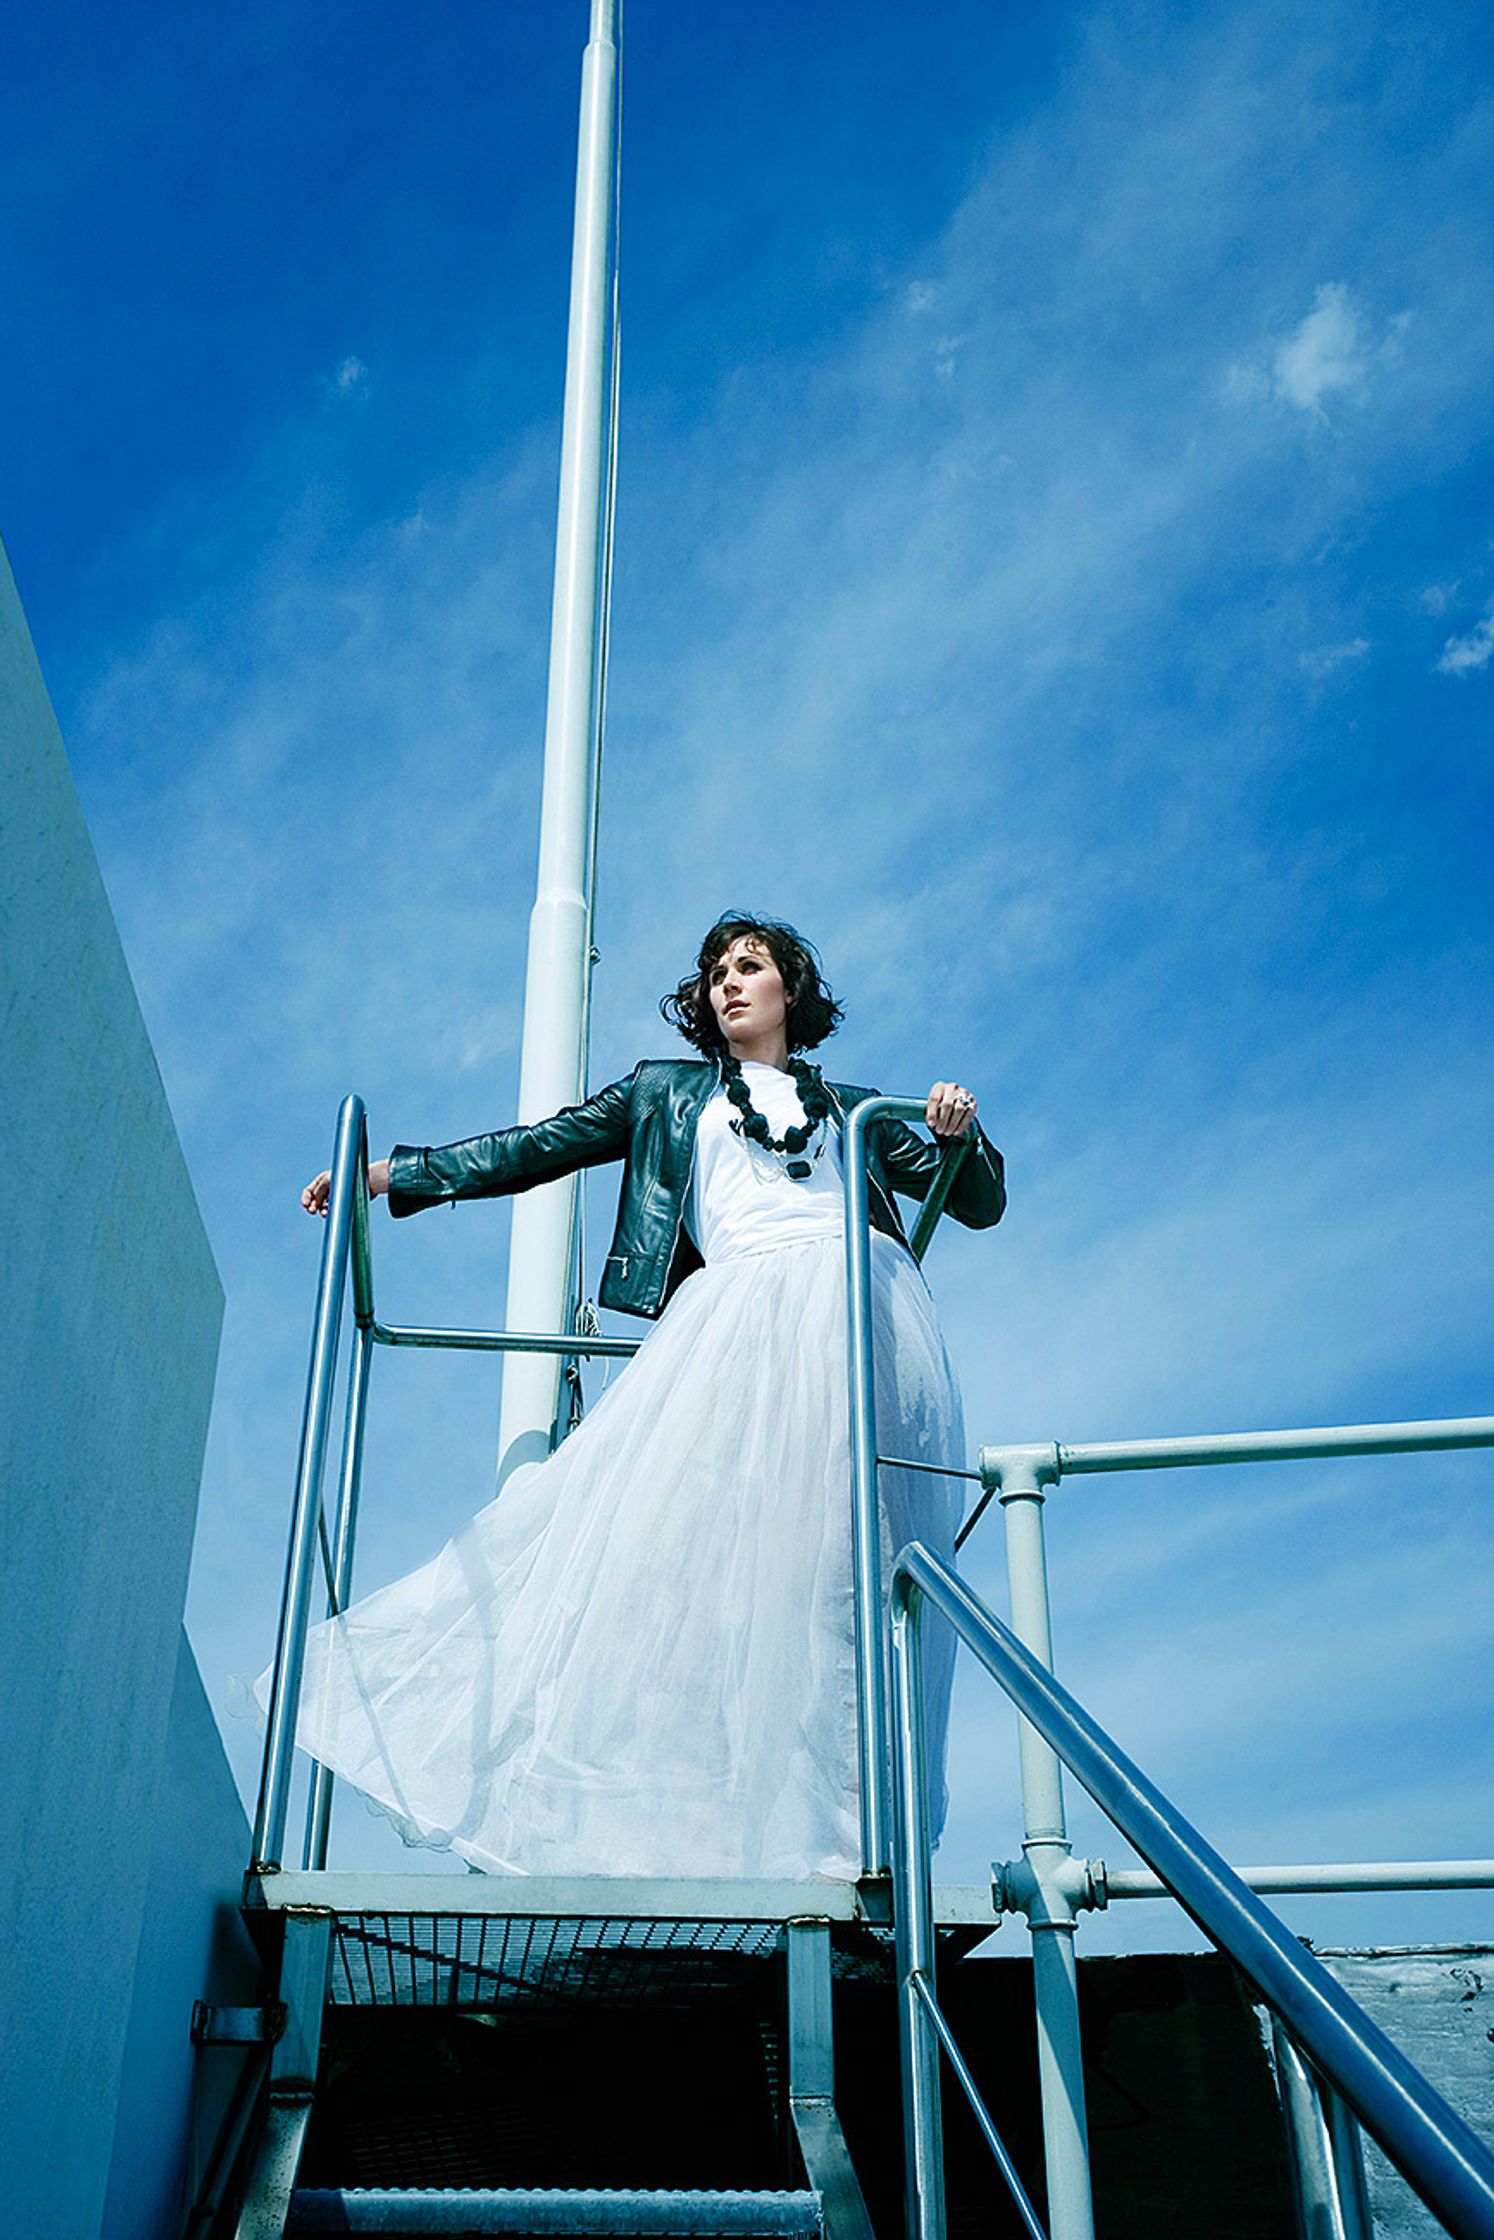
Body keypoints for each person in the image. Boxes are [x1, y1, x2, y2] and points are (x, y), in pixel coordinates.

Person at [284, 913, 1005, 1880]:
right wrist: (389, 1175)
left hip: (861, 1322)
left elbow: (980, 1201)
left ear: (790, 990)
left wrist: (960, 1131)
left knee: (850, 1578)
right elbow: (534, 1148)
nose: (729, 982)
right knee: (708, 1572)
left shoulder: (856, 1111)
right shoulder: (665, 1092)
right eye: (715, 972)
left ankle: (851, 1835)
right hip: (744, 1327)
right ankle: (711, 1824)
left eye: (750, 966)